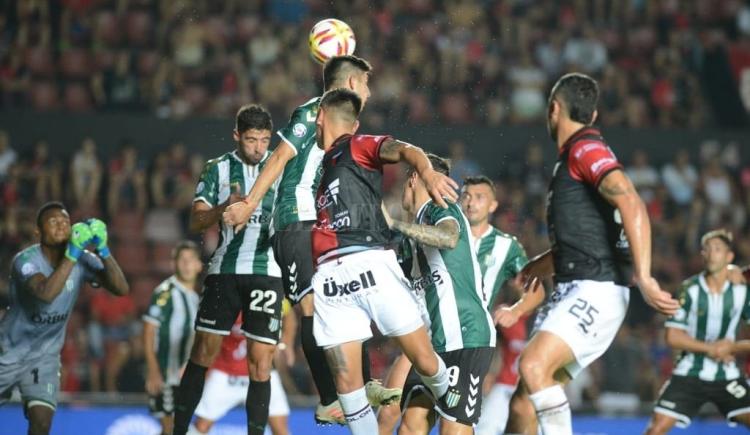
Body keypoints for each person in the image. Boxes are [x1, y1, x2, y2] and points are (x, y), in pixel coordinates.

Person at [223, 55, 398, 424]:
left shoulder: (348, 128)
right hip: (295, 221)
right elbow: (280, 158)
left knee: (349, 299)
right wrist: (249, 204)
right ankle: (327, 397)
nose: (369, 90)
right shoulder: (312, 113)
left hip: (324, 226)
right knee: (311, 306)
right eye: (365, 83)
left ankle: (363, 383)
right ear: (351, 84)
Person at [505, 73, 679, 435]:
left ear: (553, 109)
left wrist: (645, 276)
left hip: (595, 289)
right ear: (594, 115)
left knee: (534, 366)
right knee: (524, 401)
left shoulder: (585, 149)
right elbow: (588, 235)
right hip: (578, 285)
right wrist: (544, 262)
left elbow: (629, 198)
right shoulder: (574, 156)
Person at [310, 88, 457, 434]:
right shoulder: (324, 164)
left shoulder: (357, 145)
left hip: (369, 262)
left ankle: (454, 404)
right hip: (330, 275)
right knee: (347, 382)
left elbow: (407, 150)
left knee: (422, 358)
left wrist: (428, 171)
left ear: (320, 117)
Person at [172, 105, 285, 435]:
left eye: (264, 140)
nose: (258, 148)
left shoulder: (281, 166)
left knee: (261, 363)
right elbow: (195, 220)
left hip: (268, 271)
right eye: (251, 140)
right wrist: (224, 208)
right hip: (225, 270)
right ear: (237, 136)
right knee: (202, 353)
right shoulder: (217, 169)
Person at [383, 156, 492, 435]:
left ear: (413, 179)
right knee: (410, 426)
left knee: (452, 430)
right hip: (434, 345)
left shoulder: (439, 207)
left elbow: (448, 237)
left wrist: (394, 223)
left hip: (463, 336)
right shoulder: (413, 235)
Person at [0, 202, 129, 435]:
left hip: (45, 357)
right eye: (53, 222)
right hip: (8, 352)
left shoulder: (82, 258)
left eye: (65, 222)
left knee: (41, 423)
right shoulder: (25, 261)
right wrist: (72, 254)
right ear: (38, 233)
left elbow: (121, 288)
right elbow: (46, 294)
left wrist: (104, 250)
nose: (61, 226)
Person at [459, 175, 544, 435]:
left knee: (460, 425)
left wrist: (516, 310)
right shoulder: (445, 236)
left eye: (479, 197)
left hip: (471, 345)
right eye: (466, 196)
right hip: (432, 337)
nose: (471, 203)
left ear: (493, 206)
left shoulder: (506, 246)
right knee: (402, 416)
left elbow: (536, 289)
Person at [644, 230, 750, 434]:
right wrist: (711, 349)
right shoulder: (689, 289)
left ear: (729, 256)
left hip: (726, 375)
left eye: (717, 249)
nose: (711, 254)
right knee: (656, 428)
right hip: (690, 372)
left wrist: (732, 347)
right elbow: (672, 336)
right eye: (707, 250)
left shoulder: (741, 291)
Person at [190, 299, 296, 435]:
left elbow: (289, 314)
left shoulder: (269, 293)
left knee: (281, 430)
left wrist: (286, 343)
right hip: (226, 373)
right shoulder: (225, 295)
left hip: (263, 374)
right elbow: (205, 335)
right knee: (201, 426)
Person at [143, 241, 203, 435]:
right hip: (165, 374)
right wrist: (153, 370)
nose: (186, 265)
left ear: (199, 265)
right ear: (174, 264)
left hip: (184, 377)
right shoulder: (166, 293)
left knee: (175, 429)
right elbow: (148, 330)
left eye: (190, 260)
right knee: (172, 428)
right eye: (182, 260)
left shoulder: (196, 297)